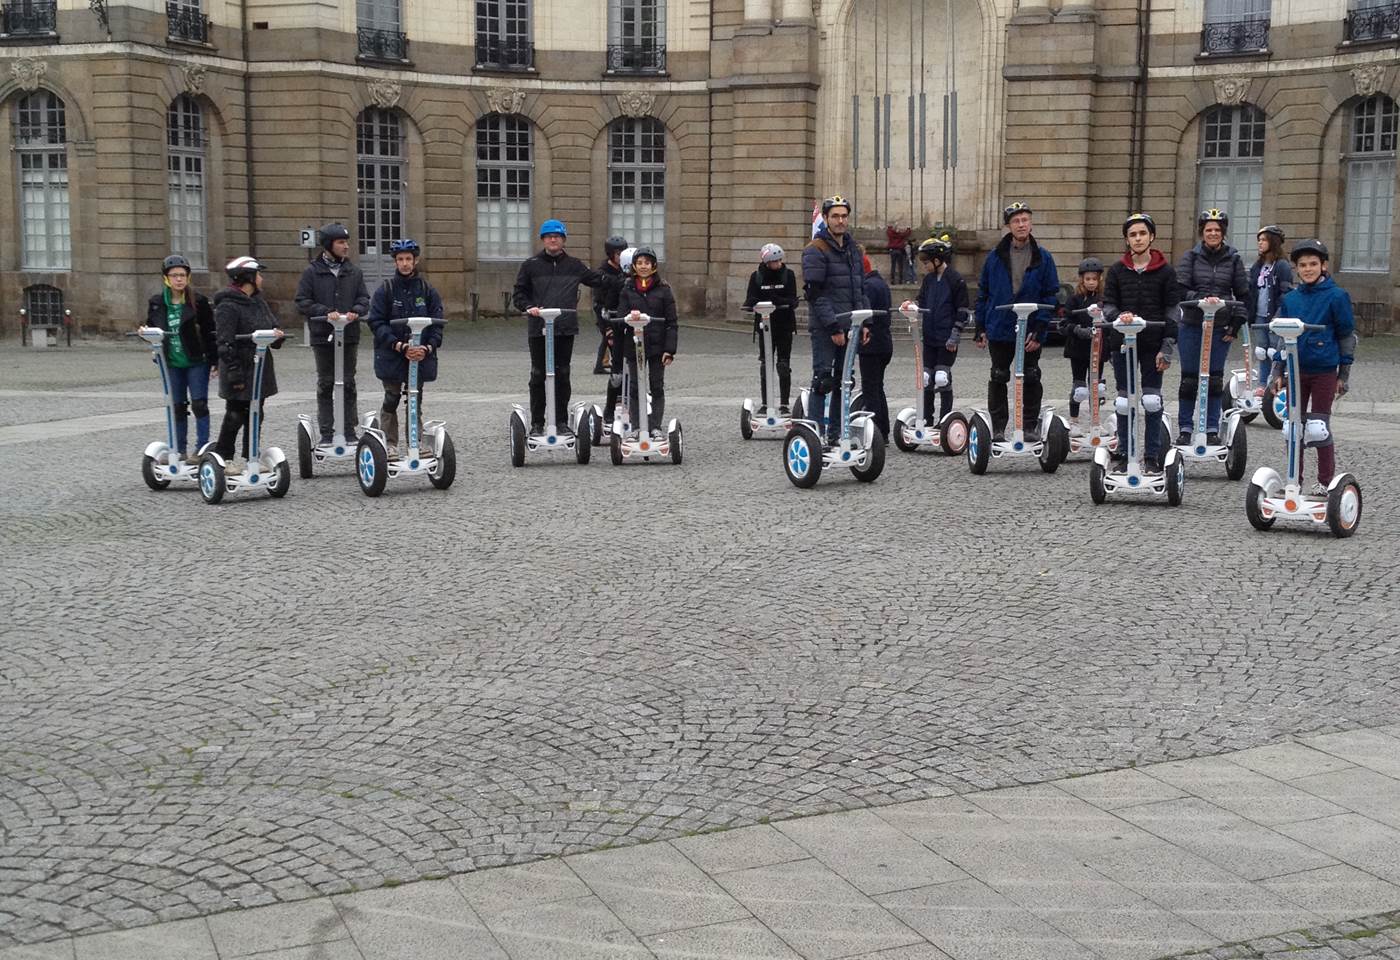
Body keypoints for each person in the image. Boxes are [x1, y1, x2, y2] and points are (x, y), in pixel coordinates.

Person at [512, 218, 619, 436]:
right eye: (549, 237)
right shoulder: (530, 265)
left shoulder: (574, 265)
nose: (553, 240)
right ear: (543, 240)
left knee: (562, 374)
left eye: (557, 237)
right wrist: (529, 307)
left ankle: (561, 421)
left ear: (563, 240)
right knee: (538, 375)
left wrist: (627, 278)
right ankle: (537, 423)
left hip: (564, 328)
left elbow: (600, 279)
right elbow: (519, 294)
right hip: (539, 328)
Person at [1273, 239, 1356, 495]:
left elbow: (1346, 337)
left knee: (1318, 428)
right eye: (1302, 265)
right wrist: (1278, 370)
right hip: (1296, 370)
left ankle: (1325, 481)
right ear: (1296, 269)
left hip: (1324, 371)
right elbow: (1281, 336)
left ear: (1323, 266)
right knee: (1293, 428)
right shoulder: (1291, 299)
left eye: (1313, 264)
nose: (1308, 269)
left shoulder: (1337, 296)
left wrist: (1343, 375)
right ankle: (1293, 480)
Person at [973, 202, 1061, 441]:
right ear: (1009, 226)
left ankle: (1029, 426)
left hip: (1030, 329)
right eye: (1016, 221)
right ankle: (998, 428)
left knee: (1031, 375)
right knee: (998, 375)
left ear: (1030, 223)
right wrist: (980, 327)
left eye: (1025, 220)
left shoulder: (1044, 258)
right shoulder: (994, 257)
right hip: (1000, 326)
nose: (1021, 225)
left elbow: (1049, 295)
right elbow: (983, 293)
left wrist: (1040, 329)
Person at [1102, 213, 1179, 472]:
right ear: (1127, 239)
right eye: (1133, 235)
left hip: (1152, 343)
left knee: (1152, 400)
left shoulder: (1166, 271)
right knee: (1124, 401)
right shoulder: (1116, 270)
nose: (1138, 239)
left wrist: (1167, 347)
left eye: (1142, 233)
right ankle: (1125, 454)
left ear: (1151, 237)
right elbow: (1108, 304)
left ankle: (1152, 457)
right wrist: (1118, 316)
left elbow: (1172, 309)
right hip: (1122, 342)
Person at [1175, 208, 1250, 444]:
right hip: (1192, 325)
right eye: (1209, 230)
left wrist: (1235, 324)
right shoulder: (1190, 257)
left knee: (1215, 379)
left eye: (1217, 230)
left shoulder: (1233, 259)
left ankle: (1211, 429)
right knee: (1189, 379)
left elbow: (1243, 294)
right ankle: (1185, 428)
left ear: (1223, 233)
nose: (1213, 233)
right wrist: (1201, 299)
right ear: (1202, 232)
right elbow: (1180, 289)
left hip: (1220, 326)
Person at [295, 222, 370, 446]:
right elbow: (302, 301)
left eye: (346, 242)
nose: (346, 246)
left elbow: (364, 298)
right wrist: (325, 312)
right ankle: (327, 432)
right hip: (323, 337)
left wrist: (356, 311)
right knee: (326, 383)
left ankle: (349, 430)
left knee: (348, 382)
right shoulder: (312, 272)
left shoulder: (353, 272)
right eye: (341, 242)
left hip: (348, 335)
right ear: (328, 245)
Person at [367, 239, 445, 454]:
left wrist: (427, 348)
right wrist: (398, 345)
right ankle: (389, 443)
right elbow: (376, 322)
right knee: (391, 398)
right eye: (400, 259)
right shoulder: (386, 290)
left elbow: (437, 324)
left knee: (414, 398)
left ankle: (416, 442)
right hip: (392, 354)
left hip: (419, 355)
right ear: (395, 262)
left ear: (415, 261)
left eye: (408, 259)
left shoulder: (427, 290)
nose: (404, 263)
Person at [802, 195, 868, 443]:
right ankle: (815, 434)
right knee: (823, 380)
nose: (840, 221)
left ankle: (837, 433)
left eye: (844, 216)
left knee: (845, 380)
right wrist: (833, 327)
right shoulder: (815, 250)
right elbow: (814, 294)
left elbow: (859, 289)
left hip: (851, 325)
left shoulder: (853, 249)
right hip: (826, 327)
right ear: (826, 219)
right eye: (835, 216)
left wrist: (864, 323)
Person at [212, 257, 284, 466]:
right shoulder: (228, 305)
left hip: (260, 365)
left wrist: (277, 336)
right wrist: (234, 373)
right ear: (248, 278)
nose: (261, 279)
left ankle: (251, 456)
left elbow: (272, 325)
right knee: (235, 414)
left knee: (256, 413)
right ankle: (224, 457)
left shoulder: (258, 302)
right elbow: (224, 342)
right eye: (258, 275)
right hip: (240, 366)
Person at [145, 254, 216, 459]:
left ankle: (202, 447)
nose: (179, 279)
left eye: (182, 275)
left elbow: (210, 332)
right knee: (177, 406)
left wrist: (215, 360)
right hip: (171, 362)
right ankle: (179, 449)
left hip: (196, 361)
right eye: (174, 275)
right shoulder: (157, 303)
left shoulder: (199, 302)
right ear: (166, 278)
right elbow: (152, 328)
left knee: (199, 404)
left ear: (188, 277)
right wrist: (146, 333)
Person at [905, 235, 970, 425]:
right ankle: (927, 418)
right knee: (926, 379)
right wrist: (912, 306)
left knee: (942, 378)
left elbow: (963, 310)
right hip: (930, 337)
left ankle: (945, 420)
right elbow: (921, 301)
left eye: (926, 263)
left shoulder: (956, 279)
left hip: (947, 338)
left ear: (937, 260)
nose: (924, 266)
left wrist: (955, 334)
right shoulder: (928, 280)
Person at [615, 246, 678, 439]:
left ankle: (655, 426)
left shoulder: (664, 290)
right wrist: (629, 316)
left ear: (653, 266)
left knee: (656, 386)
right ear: (634, 266)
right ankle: (636, 426)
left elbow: (672, 322)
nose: (643, 266)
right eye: (640, 263)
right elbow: (620, 317)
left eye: (647, 263)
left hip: (657, 346)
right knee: (635, 387)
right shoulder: (627, 289)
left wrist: (670, 350)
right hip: (634, 345)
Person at [742, 243, 799, 413]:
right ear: (767, 262)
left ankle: (784, 404)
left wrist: (777, 300)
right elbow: (751, 297)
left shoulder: (788, 275)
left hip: (784, 325)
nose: (778, 264)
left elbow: (792, 299)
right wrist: (753, 304)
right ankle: (766, 403)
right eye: (775, 261)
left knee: (783, 364)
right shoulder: (757, 276)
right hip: (765, 326)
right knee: (765, 365)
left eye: (780, 260)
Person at [1059, 258, 1107, 434]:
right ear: (1082, 279)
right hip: (1078, 349)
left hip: (1098, 349)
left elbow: (1111, 320)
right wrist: (1078, 330)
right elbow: (1064, 323)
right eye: (1088, 279)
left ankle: (1095, 420)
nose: (1091, 282)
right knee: (1079, 388)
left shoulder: (1104, 300)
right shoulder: (1074, 299)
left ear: (1100, 279)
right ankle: (1074, 420)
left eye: (1094, 279)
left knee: (1097, 387)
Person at [1247, 224, 1293, 396]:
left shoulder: (1282, 266)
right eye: (1258, 240)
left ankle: (1273, 381)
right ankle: (1261, 383)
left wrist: (1279, 314)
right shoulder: (1257, 266)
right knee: (1261, 350)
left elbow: (1285, 292)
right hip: (1259, 315)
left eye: (1264, 240)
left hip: (1274, 315)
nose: (1260, 243)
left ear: (1273, 242)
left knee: (1274, 351)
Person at [859, 252, 893, 441]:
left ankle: (876, 433)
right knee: (878, 387)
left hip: (871, 344)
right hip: (884, 343)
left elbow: (864, 315)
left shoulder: (868, 286)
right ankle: (883, 431)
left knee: (870, 389)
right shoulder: (880, 283)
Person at [594, 235, 628, 374]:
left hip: (620, 311)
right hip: (605, 311)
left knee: (608, 340)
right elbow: (599, 300)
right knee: (610, 340)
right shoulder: (602, 272)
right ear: (610, 254)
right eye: (618, 254)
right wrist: (605, 324)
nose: (620, 257)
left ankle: (601, 364)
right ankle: (613, 371)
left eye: (622, 254)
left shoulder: (624, 270)